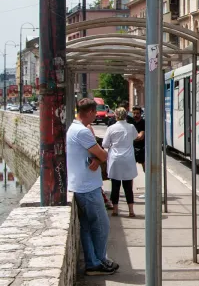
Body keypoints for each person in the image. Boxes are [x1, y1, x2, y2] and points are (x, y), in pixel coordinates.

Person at [67, 98, 118, 276]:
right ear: (89, 112)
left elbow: (97, 156)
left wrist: (97, 158)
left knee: (88, 227)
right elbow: (104, 154)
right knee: (102, 225)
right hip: (87, 187)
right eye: (95, 112)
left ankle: (94, 262)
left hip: (80, 185)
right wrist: (100, 157)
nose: (96, 115)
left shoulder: (74, 128)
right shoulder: (82, 132)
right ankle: (97, 261)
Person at [102, 107, 139, 218]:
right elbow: (136, 137)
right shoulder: (131, 127)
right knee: (128, 186)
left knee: (115, 185)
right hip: (128, 159)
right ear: (126, 115)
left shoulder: (111, 128)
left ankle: (115, 210)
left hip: (115, 159)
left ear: (116, 116)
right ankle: (131, 211)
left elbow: (104, 144)